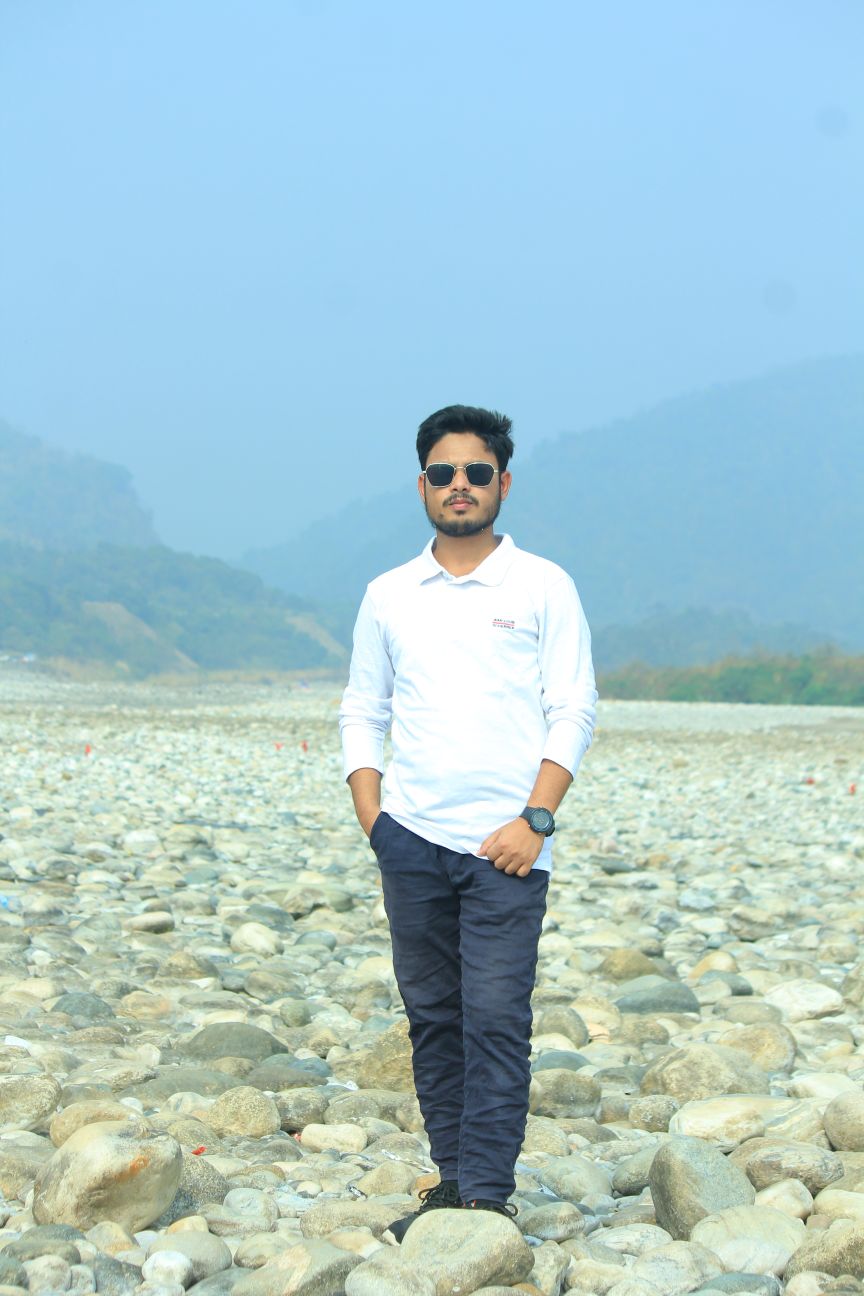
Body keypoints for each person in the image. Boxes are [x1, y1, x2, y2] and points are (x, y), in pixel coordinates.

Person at [338, 404, 597, 1239]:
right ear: (422, 484)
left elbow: (574, 708)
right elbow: (362, 708)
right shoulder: (388, 594)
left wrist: (536, 819)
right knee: (434, 1019)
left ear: (503, 484)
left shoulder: (543, 586)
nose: (460, 486)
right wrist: (375, 818)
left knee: (496, 1019)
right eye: (443, 473)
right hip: (411, 839)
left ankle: (486, 1194)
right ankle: (451, 1179)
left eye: (476, 472)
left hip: (507, 850)